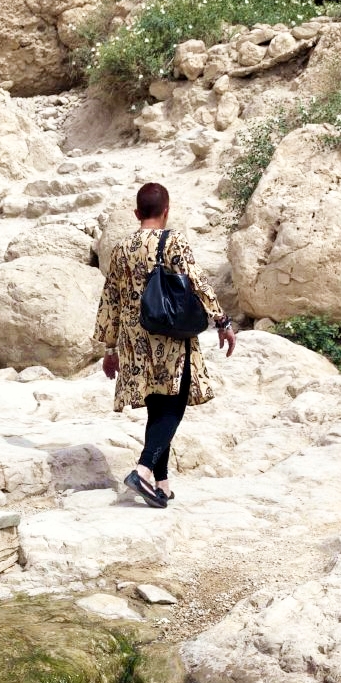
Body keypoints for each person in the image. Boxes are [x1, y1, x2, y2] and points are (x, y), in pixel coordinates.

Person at [92, 182, 236, 509]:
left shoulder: (121, 248)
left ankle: (162, 484)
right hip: (170, 338)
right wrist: (222, 322)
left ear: (137, 213)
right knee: (174, 406)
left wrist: (110, 350)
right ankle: (143, 470)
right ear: (166, 211)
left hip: (134, 341)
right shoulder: (174, 241)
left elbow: (109, 300)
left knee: (158, 408)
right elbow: (196, 282)